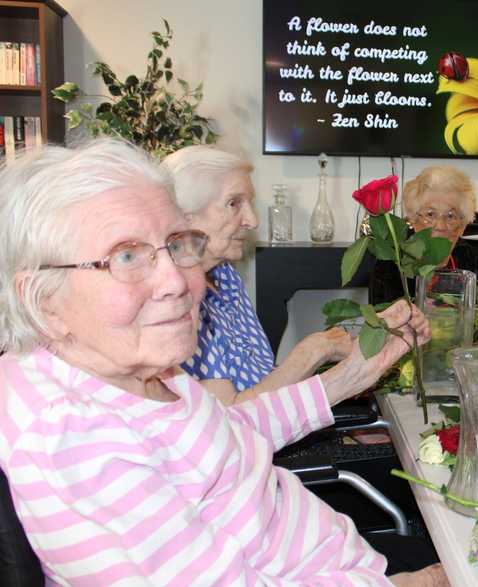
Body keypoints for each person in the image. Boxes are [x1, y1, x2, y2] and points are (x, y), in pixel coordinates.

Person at [0, 139, 446, 586]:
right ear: (43, 300)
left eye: (176, 245)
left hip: (338, 559)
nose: (176, 281)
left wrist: (350, 376)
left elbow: (223, 434)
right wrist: (416, 583)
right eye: (127, 256)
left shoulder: (130, 369)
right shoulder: (73, 437)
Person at [161, 146, 354, 397]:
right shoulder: (174, 302)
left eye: (249, 203)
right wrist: (313, 352)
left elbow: (261, 378)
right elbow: (227, 420)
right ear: (184, 217)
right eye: (233, 203)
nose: (252, 220)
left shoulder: (225, 275)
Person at [369, 165, 478, 304]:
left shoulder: (470, 260)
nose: (440, 226)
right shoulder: (392, 264)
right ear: (413, 220)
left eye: (451, 216)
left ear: (463, 225)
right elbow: (385, 321)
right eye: (430, 214)